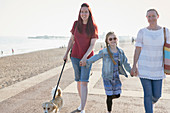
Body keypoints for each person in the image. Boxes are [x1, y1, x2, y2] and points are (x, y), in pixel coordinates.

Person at [81, 32, 132, 113]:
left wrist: (131, 71)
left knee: (118, 94)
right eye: (110, 39)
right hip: (107, 77)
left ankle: (109, 97)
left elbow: (125, 63)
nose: (113, 40)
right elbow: (96, 57)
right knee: (109, 95)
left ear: (117, 40)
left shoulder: (120, 52)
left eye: (114, 38)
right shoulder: (105, 51)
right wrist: (87, 62)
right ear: (107, 41)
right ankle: (109, 110)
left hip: (116, 77)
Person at [131, 9, 170, 113]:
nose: (151, 18)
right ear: (146, 18)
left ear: (158, 16)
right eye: (149, 16)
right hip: (144, 67)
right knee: (147, 94)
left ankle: (149, 103)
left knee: (157, 95)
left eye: (153, 16)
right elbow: (138, 49)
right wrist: (134, 65)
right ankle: (148, 107)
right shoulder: (142, 32)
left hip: (158, 68)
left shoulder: (165, 31)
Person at [63, 3, 98, 113]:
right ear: (80, 13)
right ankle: (82, 103)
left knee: (84, 82)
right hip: (75, 57)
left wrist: (85, 57)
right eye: (82, 12)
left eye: (86, 12)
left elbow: (92, 45)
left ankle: (82, 108)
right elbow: (71, 40)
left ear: (89, 13)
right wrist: (66, 53)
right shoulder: (76, 24)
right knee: (78, 81)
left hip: (87, 59)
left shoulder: (93, 27)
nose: (83, 14)